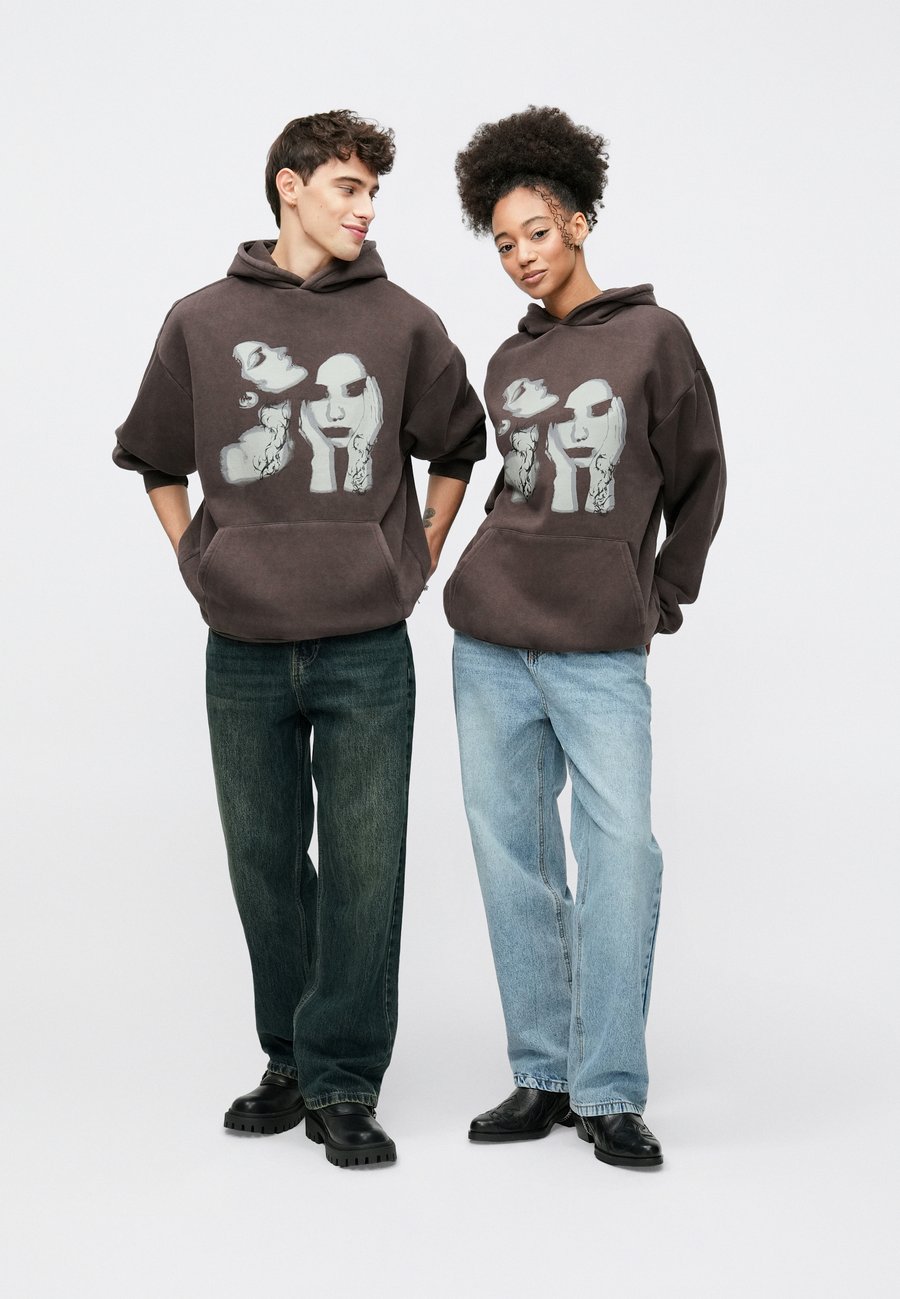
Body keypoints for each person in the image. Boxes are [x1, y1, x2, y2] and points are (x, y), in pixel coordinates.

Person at [113, 111, 485, 1169]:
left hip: (366, 644)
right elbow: (156, 457)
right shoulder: (200, 319)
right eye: (348, 188)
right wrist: (198, 560)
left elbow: (459, 445)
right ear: (290, 186)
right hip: (242, 643)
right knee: (264, 864)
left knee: (366, 869)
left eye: (373, 193)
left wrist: (415, 554)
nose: (366, 210)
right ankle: (289, 1056)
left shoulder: (404, 322)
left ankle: (344, 1078)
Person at [445, 106, 725, 1169]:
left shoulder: (655, 338)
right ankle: (544, 1074)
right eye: (503, 242)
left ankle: (608, 1088)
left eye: (537, 231)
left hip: (601, 649)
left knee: (621, 858)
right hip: (490, 642)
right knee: (514, 861)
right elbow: (512, 488)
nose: (522, 255)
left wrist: (661, 595)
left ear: (579, 220)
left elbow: (701, 477)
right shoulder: (505, 360)